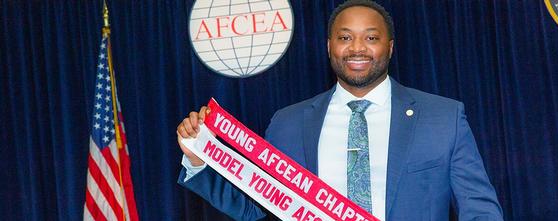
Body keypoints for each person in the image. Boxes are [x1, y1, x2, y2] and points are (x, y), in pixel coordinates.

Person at [176, 0, 503, 220]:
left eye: (371, 37)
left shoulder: (443, 117)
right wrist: (198, 158)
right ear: (329, 46)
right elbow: (255, 209)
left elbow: (480, 209)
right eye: (345, 37)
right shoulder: (288, 123)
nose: (357, 48)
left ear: (389, 47)